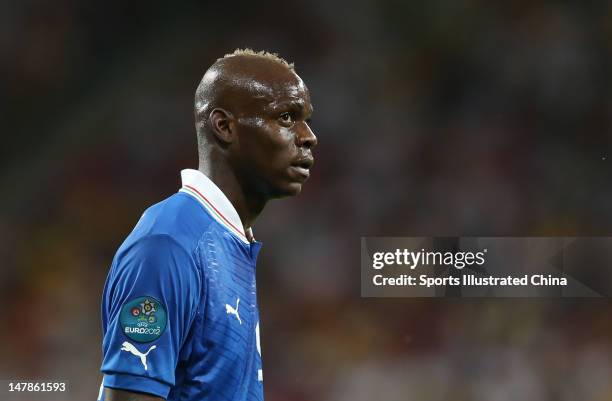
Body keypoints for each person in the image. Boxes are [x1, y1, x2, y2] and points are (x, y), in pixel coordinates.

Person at [98, 49, 317, 401]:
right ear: (224, 126)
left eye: (305, 119)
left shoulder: (226, 240)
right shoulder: (170, 244)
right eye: (287, 117)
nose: (308, 136)